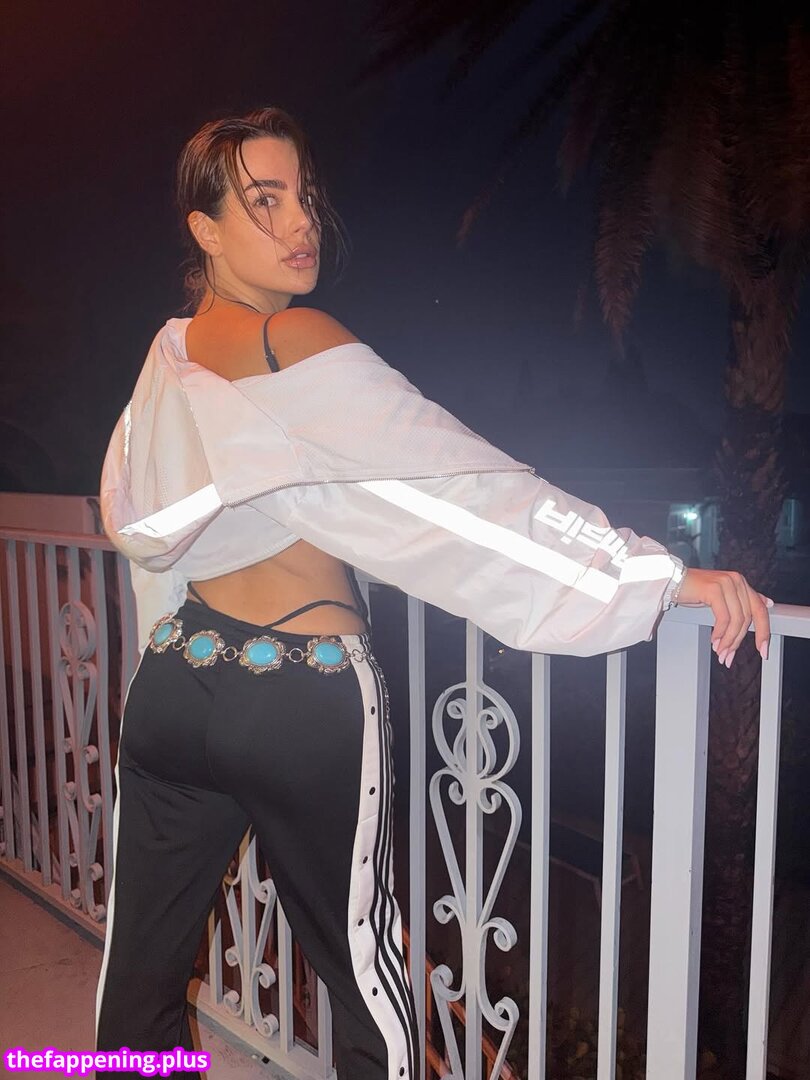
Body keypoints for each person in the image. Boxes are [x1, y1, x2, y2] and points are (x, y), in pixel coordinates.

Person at [95, 106, 773, 1080]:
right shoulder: (292, 339)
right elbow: (468, 497)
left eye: (305, 196)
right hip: (298, 694)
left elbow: (140, 513)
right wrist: (656, 577)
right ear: (205, 228)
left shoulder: (169, 358)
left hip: (175, 684)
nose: (302, 222)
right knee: (368, 989)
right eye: (265, 201)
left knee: (137, 984)